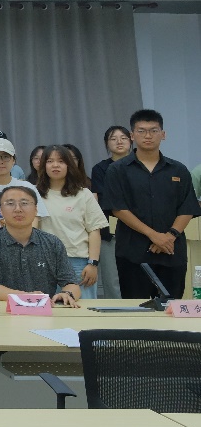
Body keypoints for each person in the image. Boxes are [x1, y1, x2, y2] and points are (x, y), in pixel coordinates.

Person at [103, 109, 200, 300]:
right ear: (132, 135)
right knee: (136, 308)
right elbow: (118, 208)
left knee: (170, 308)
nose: (148, 136)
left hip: (171, 250)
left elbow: (187, 207)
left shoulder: (178, 169)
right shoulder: (117, 170)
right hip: (132, 252)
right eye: (141, 131)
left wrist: (169, 236)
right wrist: (154, 235)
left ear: (163, 134)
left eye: (153, 130)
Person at [0, 185, 81, 306]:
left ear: (36, 209)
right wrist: (27, 297)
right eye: (10, 203)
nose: (18, 209)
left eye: (24, 203)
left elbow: (72, 283)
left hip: (43, 312)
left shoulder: (52, 243)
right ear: (0, 210)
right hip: (1, 311)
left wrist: (67, 294)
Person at [36, 145, 107, 301]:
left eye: (61, 161)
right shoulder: (34, 194)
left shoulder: (84, 194)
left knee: (82, 310)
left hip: (78, 262)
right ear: (43, 165)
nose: (55, 165)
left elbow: (94, 230)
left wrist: (93, 263)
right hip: (44, 263)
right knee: (47, 309)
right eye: (50, 161)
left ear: (69, 165)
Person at [90, 125, 132, 299]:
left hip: (141, 229)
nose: (119, 142)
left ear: (131, 140)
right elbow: (102, 198)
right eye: (113, 139)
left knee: (138, 276)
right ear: (107, 143)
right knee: (112, 278)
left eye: (123, 138)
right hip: (110, 228)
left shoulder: (141, 166)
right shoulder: (100, 169)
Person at [0, 138, 49, 233]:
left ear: (13, 160)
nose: (0, 161)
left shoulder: (27, 187)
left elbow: (34, 221)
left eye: (6, 156)